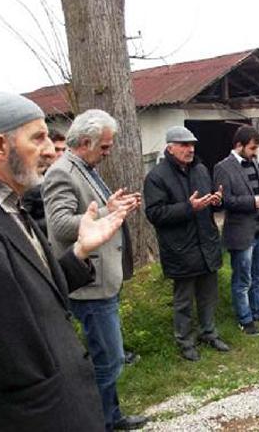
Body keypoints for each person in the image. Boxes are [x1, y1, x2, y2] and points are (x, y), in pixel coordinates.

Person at [0, 89, 128, 431]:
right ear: (0, 146)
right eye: (38, 138)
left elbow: (36, 290)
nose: (51, 150)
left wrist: (80, 250)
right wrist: (56, 394)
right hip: (31, 414)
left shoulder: (8, 202)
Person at [43, 109, 146, 431]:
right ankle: (99, 421)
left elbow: (94, 213)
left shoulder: (83, 168)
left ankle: (111, 417)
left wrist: (111, 208)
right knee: (108, 360)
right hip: (89, 283)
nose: (108, 151)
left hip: (102, 279)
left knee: (108, 358)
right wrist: (107, 211)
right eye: (103, 146)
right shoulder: (62, 172)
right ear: (85, 141)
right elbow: (59, 226)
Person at [143, 126, 229, 361]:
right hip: (180, 248)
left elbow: (210, 201)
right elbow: (155, 214)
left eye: (192, 144)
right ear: (170, 148)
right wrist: (188, 208)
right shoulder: (157, 177)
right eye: (184, 145)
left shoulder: (200, 169)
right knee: (183, 301)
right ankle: (185, 341)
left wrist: (216, 200)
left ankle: (209, 333)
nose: (190, 149)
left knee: (208, 295)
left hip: (206, 243)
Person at [213, 125, 259, 336]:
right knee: (243, 280)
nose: (255, 153)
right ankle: (245, 319)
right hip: (240, 233)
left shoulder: (252, 163)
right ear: (238, 145)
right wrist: (252, 201)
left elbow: (257, 190)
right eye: (252, 148)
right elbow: (226, 201)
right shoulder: (223, 168)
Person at [22, 129, 66, 234]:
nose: (61, 154)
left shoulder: (63, 175)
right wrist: (56, 222)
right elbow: (24, 224)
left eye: (64, 150)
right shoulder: (31, 180)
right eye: (57, 149)